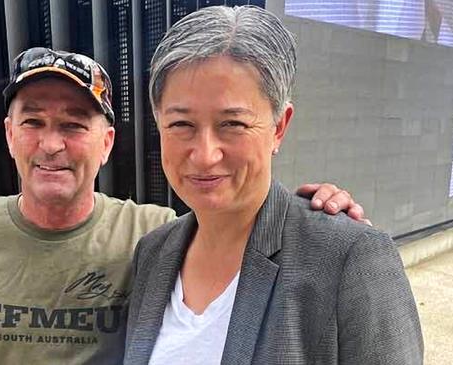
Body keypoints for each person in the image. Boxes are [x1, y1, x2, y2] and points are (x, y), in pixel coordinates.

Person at [0, 47, 368, 365]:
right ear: (9, 135)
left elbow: (249, 231)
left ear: (106, 143)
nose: (51, 144)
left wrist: (317, 212)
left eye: (73, 125)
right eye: (33, 122)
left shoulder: (157, 235)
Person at [124, 6, 423, 365]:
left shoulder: (348, 259)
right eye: (181, 124)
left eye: (232, 124)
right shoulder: (153, 253)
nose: (204, 155)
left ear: (279, 126)